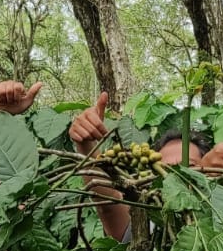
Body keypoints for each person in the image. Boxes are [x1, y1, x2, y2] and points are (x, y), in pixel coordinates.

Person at [67, 90, 212, 240]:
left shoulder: (220, 219)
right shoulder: (142, 224)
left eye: (189, 166)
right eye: (165, 169)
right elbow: (108, 207)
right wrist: (85, 144)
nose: (176, 174)